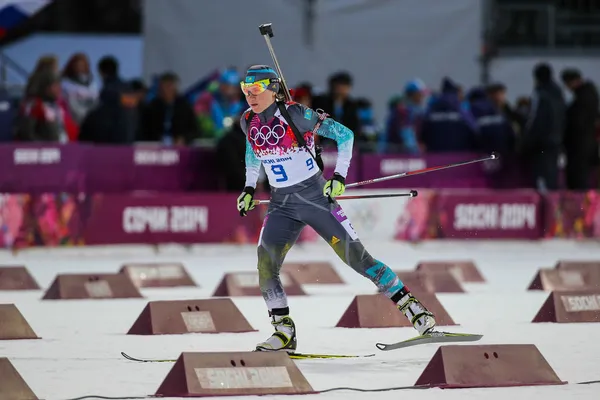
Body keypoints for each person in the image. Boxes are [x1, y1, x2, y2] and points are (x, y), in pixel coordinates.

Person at [236, 65, 437, 352]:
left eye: (256, 90)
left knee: (358, 259)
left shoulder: (295, 114)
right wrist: (248, 188)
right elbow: (252, 153)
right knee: (266, 265)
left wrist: (339, 177)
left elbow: (345, 135)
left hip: (315, 198)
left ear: (273, 89)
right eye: (246, 90)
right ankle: (283, 332)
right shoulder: (247, 120)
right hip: (281, 204)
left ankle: (414, 311)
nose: (250, 96)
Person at [521, 63, 566, 191]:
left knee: (541, 175)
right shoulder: (558, 92)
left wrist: (526, 139)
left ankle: (543, 206)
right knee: (552, 174)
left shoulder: (540, 93)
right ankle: (552, 205)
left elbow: (533, 118)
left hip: (541, 142)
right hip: (557, 140)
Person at [560, 68, 600, 191]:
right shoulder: (589, 95)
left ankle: (581, 206)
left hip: (580, 146)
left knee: (578, 180)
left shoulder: (582, 99)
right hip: (588, 143)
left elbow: (578, 122)